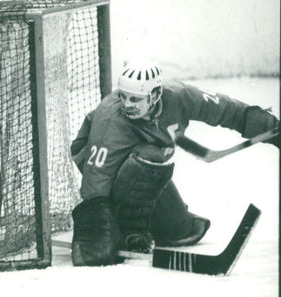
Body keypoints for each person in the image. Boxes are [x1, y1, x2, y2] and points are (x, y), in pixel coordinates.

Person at [70, 58, 279, 266]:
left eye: (135, 99)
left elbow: (226, 110)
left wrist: (271, 128)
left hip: (145, 171)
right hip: (104, 169)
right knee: (150, 156)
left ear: (155, 95)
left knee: (178, 229)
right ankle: (132, 230)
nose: (126, 105)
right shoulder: (111, 121)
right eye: (123, 97)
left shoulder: (179, 96)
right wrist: (95, 235)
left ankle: (141, 220)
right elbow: (96, 179)